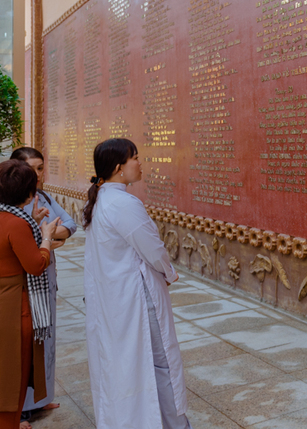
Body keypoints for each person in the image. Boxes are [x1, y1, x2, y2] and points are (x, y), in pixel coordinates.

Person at [83, 138, 192, 429]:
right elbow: (152, 247)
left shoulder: (104, 199)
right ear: (120, 168)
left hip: (117, 299)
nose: (140, 163)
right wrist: (169, 273)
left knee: (130, 365)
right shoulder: (122, 202)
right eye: (136, 158)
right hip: (136, 298)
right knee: (161, 364)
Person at [0, 160, 60, 429]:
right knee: (9, 390)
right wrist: (45, 237)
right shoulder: (19, 224)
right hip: (12, 312)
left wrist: (33, 223)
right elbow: (36, 264)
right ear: (29, 193)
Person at [9, 147, 78, 422]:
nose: (38, 174)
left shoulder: (44, 197)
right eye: (32, 169)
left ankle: (41, 398)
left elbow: (71, 225)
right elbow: (24, 241)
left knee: (45, 340)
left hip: (47, 278)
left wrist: (46, 238)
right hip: (25, 282)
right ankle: (21, 410)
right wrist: (47, 238)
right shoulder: (12, 202)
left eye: (41, 168)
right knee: (26, 343)